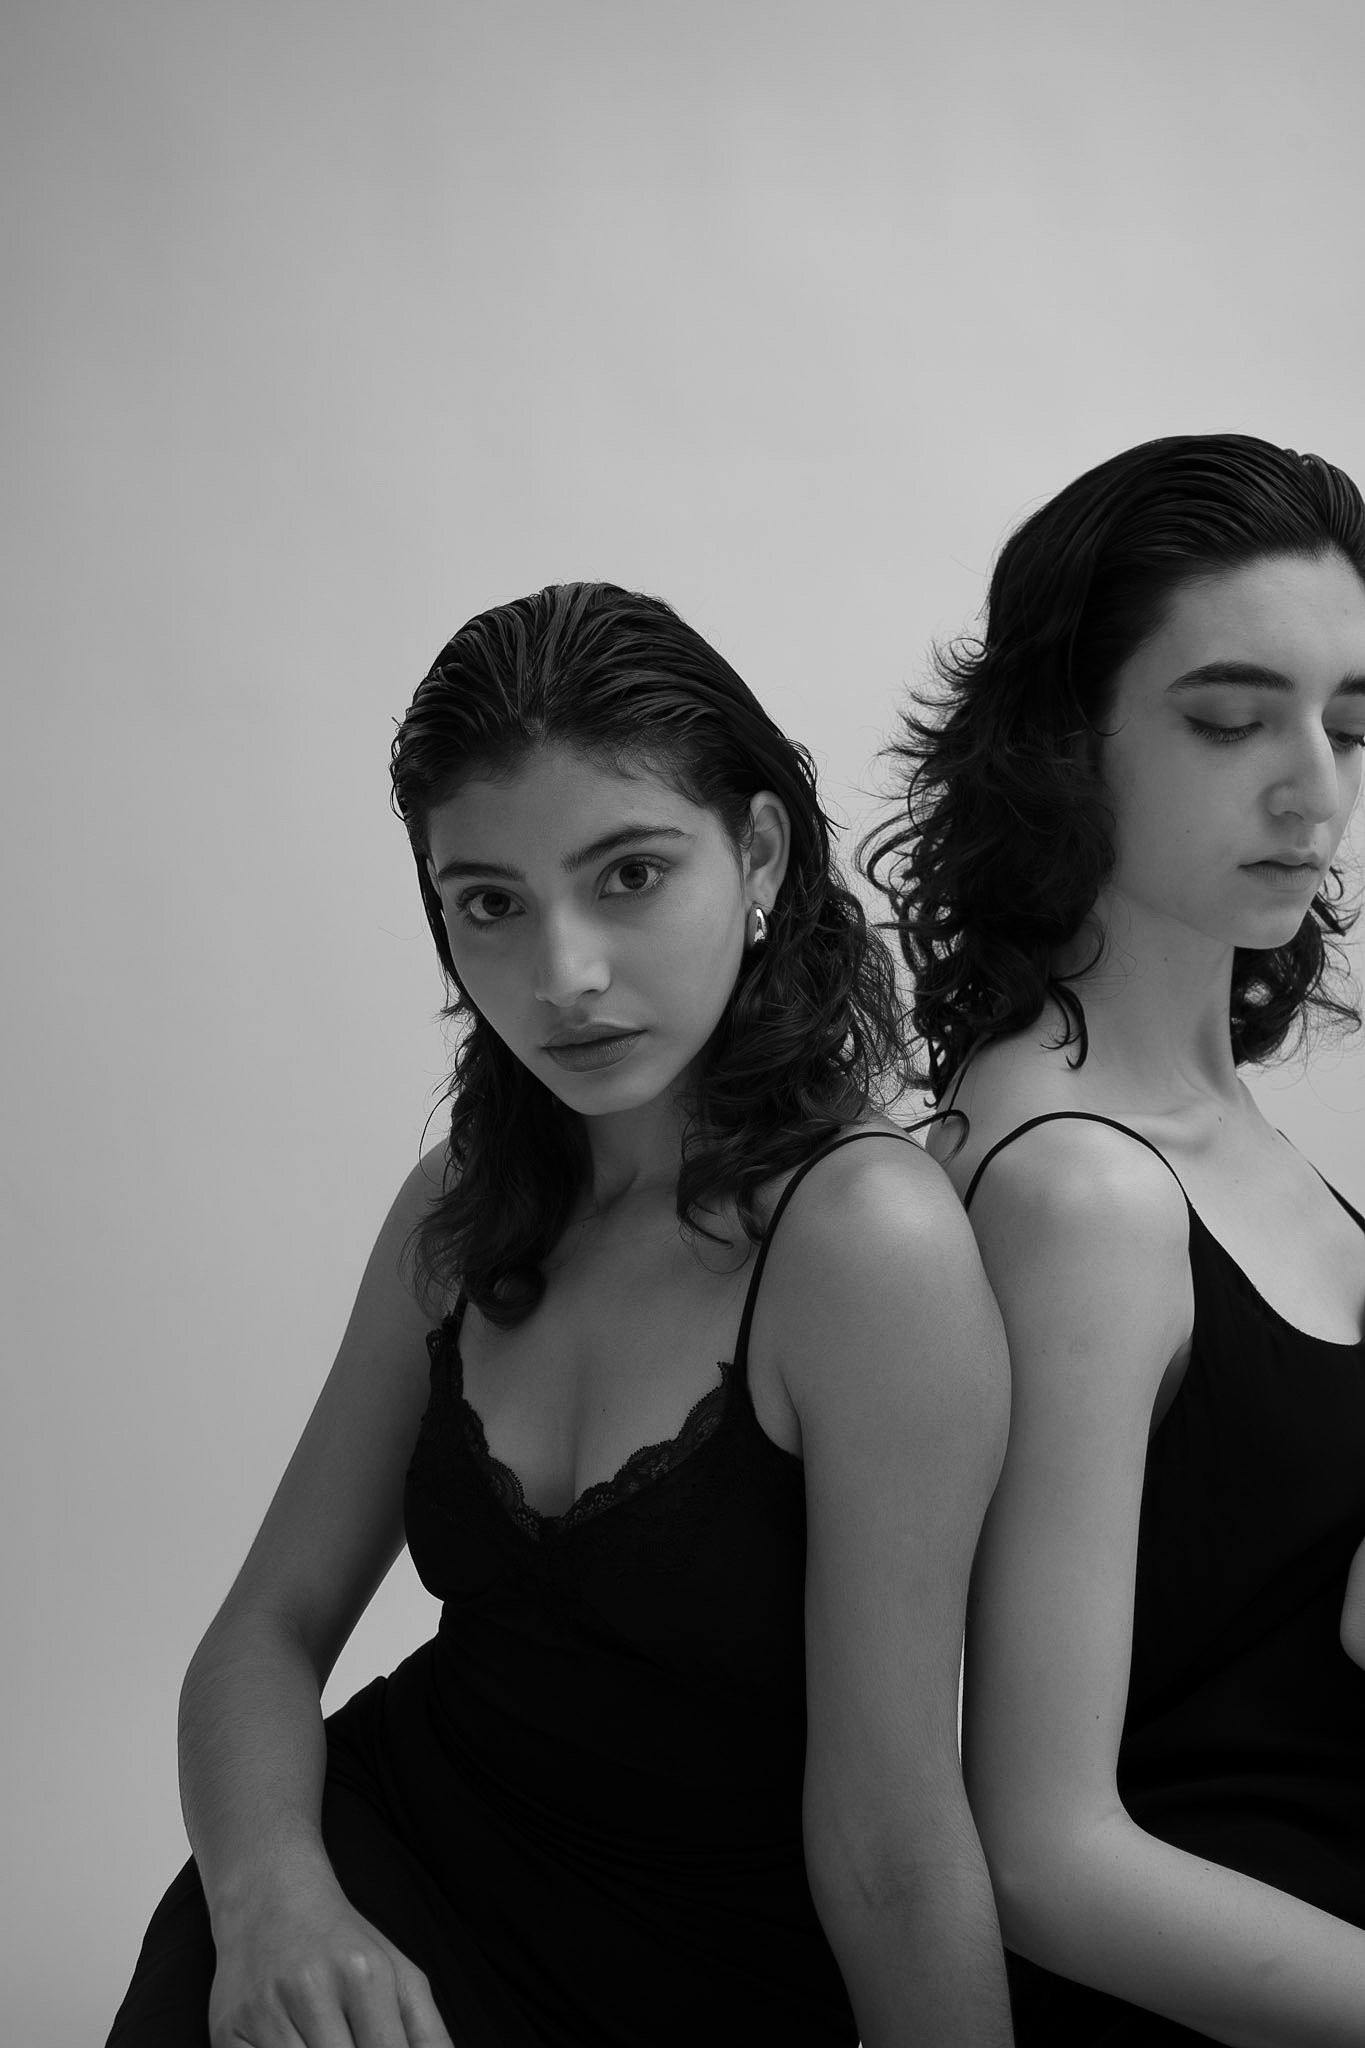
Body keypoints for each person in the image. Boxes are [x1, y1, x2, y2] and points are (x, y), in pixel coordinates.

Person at [107, 581, 1013, 2048]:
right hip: (364, 1890)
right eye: (491, 904)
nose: (563, 976)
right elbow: (262, 1637)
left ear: (758, 853)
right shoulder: (464, 1203)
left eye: (630, 875)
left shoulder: (862, 1244)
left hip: (692, 1983)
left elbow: (893, 1844)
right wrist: (276, 1903)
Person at [865, 434, 1365, 2045]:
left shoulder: (1229, 1139)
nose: (1314, 790)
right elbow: (1042, 1857)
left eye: (1349, 726)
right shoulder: (1079, 1193)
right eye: (1228, 721)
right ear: (1060, 743)